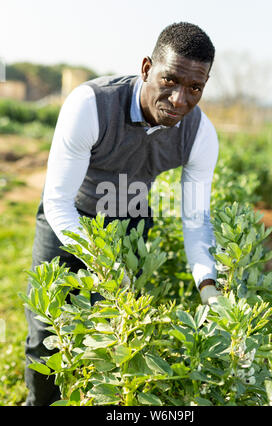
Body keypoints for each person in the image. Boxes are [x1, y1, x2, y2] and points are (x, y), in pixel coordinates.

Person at [24, 21, 220, 406]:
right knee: (48, 332)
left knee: (114, 330)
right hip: (69, 214)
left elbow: (195, 218)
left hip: (129, 219)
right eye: (170, 80)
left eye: (195, 87)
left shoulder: (199, 133)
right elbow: (58, 201)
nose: (180, 99)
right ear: (147, 69)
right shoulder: (90, 105)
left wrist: (208, 286)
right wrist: (102, 261)